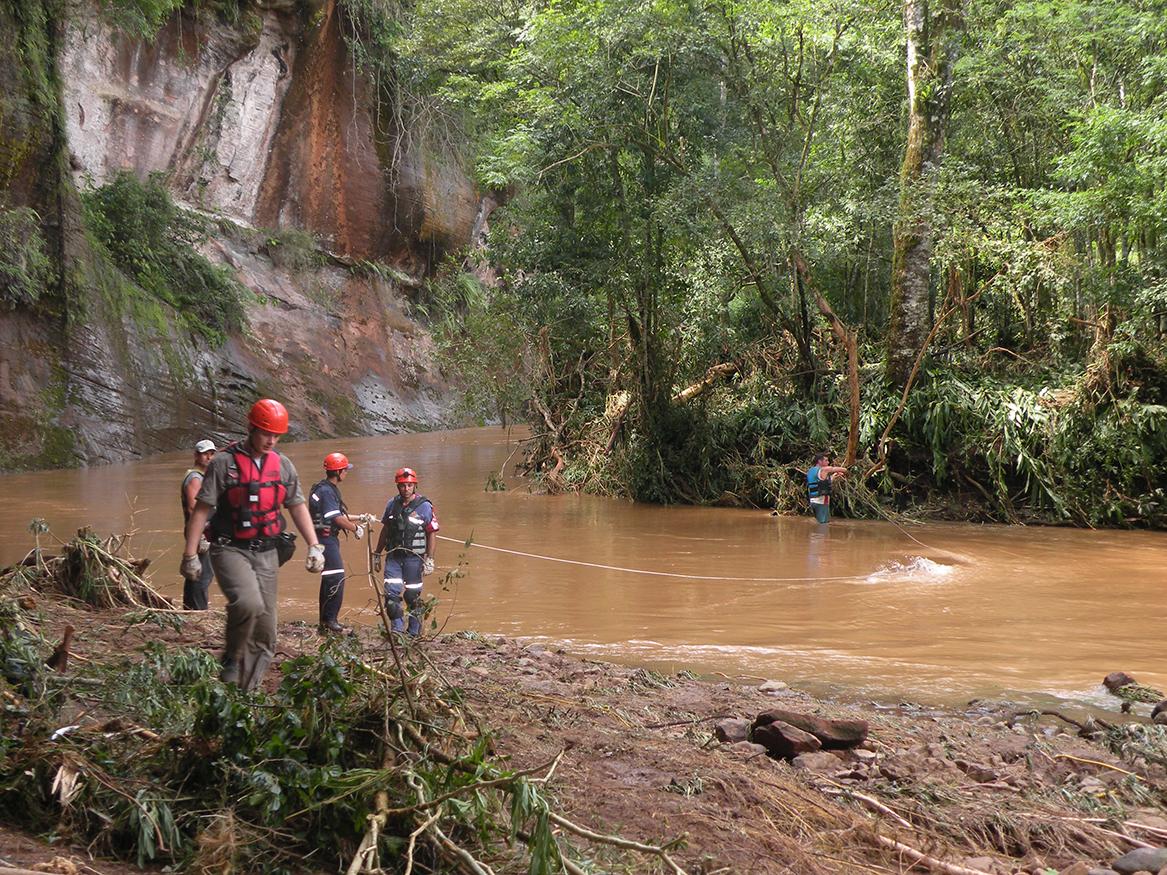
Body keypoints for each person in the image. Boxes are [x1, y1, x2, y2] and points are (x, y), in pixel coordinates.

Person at [180, 399, 325, 689]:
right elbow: (202, 509)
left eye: (276, 435)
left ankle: (245, 694)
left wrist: (314, 545)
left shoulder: (282, 465)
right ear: (251, 428)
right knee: (247, 603)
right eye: (265, 433)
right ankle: (232, 657)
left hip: (267, 551)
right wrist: (190, 554)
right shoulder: (223, 463)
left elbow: (296, 506)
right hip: (229, 547)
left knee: (266, 632)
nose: (271, 440)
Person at [309, 452, 372, 634]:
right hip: (326, 539)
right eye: (345, 470)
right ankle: (330, 621)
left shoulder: (323, 488)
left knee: (329, 578)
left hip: (323, 537)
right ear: (338, 472)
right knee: (336, 578)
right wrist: (355, 528)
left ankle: (324, 621)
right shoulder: (327, 491)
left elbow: (336, 514)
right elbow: (335, 518)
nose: (347, 473)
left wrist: (360, 517)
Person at [374, 467, 439, 636]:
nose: (406, 489)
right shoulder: (391, 505)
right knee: (391, 597)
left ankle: (414, 633)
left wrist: (430, 559)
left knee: (412, 597)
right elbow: (385, 530)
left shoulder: (424, 506)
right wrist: (377, 554)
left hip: (414, 559)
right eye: (403, 486)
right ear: (398, 486)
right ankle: (396, 631)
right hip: (394, 557)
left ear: (414, 486)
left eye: (409, 485)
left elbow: (431, 533)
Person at [180, 439, 218, 610]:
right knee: (201, 574)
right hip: (200, 533)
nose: (208, 457)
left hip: (202, 531)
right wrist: (201, 534)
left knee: (197, 572)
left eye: (211, 454)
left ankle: (191, 608)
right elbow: (192, 508)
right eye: (205, 454)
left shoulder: (202, 476)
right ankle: (197, 610)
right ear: (196, 455)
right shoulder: (195, 478)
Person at [807, 452, 848, 524]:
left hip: (813, 501)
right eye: (826, 460)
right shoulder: (824, 470)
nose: (828, 462)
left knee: (821, 524)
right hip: (821, 502)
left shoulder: (811, 471)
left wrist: (833, 477)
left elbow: (822, 484)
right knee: (823, 525)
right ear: (819, 461)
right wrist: (846, 469)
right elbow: (839, 469)